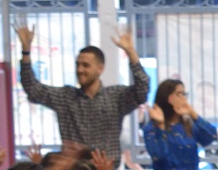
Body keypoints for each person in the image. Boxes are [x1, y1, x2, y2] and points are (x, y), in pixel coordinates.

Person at [16, 24, 149, 158]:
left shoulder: (115, 96)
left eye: (85, 65)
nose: (79, 70)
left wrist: (131, 52)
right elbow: (32, 89)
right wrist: (26, 51)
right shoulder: (65, 97)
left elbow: (142, 91)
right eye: (77, 65)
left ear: (100, 68)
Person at [140, 78, 218, 170]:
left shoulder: (188, 124)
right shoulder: (152, 128)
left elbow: (211, 136)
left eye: (184, 94)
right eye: (179, 94)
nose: (183, 98)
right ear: (167, 98)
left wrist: (192, 113)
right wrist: (161, 126)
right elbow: (159, 154)